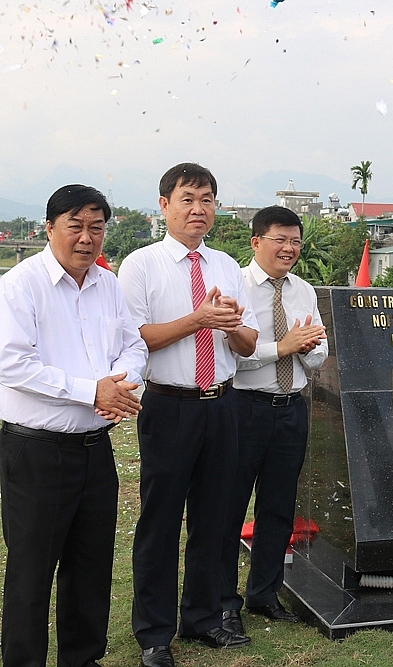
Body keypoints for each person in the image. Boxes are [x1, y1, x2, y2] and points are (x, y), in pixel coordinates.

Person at [0, 185, 147, 667]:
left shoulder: (109, 284)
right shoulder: (21, 285)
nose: (87, 238)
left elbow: (135, 345)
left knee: (91, 565)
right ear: (49, 228)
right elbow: (12, 364)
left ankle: (83, 660)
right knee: (31, 571)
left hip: (94, 449)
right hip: (35, 452)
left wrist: (122, 384)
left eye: (97, 227)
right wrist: (93, 390)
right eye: (75, 226)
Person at [118, 163, 259, 667]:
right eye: (188, 199)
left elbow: (247, 345)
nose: (198, 209)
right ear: (164, 205)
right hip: (169, 405)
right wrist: (198, 318)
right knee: (160, 521)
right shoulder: (141, 264)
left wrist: (232, 326)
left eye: (208, 200)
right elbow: (137, 338)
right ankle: (155, 634)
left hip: (222, 403)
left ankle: (202, 618)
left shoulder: (226, 265)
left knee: (215, 518)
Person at [220, 206, 328, 634]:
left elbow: (317, 353)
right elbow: (230, 361)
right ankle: (224, 601)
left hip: (291, 408)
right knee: (228, 508)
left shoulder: (303, 290)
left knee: (279, 508)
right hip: (245, 408)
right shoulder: (236, 288)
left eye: (295, 241)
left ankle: (264, 593)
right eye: (280, 240)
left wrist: (303, 348)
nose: (289, 249)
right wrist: (281, 347)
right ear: (256, 242)